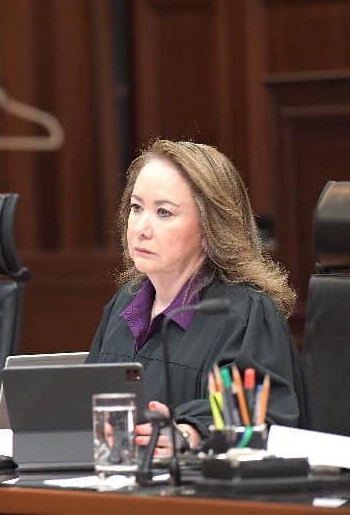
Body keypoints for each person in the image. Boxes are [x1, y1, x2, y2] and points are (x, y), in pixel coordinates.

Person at [86, 139, 306, 454]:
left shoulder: (244, 313)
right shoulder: (126, 301)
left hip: (207, 497)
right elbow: (89, 404)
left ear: (210, 228)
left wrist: (190, 432)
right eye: (136, 208)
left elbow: (264, 423)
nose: (141, 228)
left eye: (164, 212)